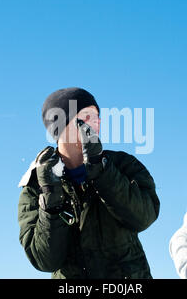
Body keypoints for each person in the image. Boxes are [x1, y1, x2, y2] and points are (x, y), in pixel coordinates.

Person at [17, 87, 160, 279]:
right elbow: (44, 261)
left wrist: (103, 171)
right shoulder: (36, 186)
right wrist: (51, 205)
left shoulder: (122, 164)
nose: (97, 122)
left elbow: (144, 216)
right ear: (62, 125)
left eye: (98, 116)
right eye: (87, 116)